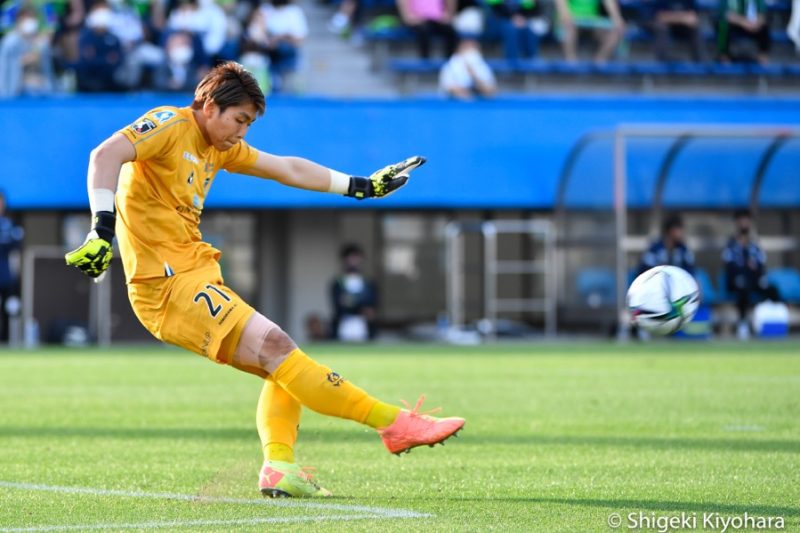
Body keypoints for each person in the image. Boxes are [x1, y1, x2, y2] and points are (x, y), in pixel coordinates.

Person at [65, 62, 464, 498]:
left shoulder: (218, 147)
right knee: (278, 348)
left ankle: (279, 466)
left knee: (284, 364)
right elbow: (104, 155)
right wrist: (100, 230)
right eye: (240, 120)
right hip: (165, 285)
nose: (242, 132)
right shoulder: (169, 124)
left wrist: (362, 186)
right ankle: (395, 423)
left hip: (195, 273)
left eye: (249, 124)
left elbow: (287, 169)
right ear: (210, 105)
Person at [722, 208, 767, 340]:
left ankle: (765, 323)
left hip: (754, 280)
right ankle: (743, 323)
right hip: (736, 282)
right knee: (742, 285)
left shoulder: (754, 245)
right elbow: (729, 267)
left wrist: (753, 268)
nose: (744, 223)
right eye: (741, 220)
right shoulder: (731, 245)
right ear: (736, 222)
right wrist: (746, 267)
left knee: (770, 288)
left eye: (746, 220)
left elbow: (761, 266)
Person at [0, 7, 55, 97]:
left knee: (42, 86)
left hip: (38, 85)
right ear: (19, 20)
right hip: (13, 87)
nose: (30, 21)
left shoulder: (40, 42)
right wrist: (23, 61)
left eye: (33, 18)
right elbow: (5, 68)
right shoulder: (10, 41)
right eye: (26, 18)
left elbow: (46, 68)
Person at [330, 244, 378, 341]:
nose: (354, 262)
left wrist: (351, 302)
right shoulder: (338, 283)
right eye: (351, 258)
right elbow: (339, 304)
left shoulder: (368, 283)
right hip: (344, 325)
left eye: (356, 258)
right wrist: (360, 307)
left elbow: (372, 306)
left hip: (364, 326)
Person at [554, 0, 625, 63]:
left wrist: (617, 18)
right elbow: (561, 3)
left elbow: (609, 2)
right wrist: (565, 14)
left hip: (592, 21)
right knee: (567, 27)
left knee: (616, 31)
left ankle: (599, 61)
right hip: (570, 20)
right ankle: (571, 62)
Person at [76, 2, 124, 92]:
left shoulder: (113, 38)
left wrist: (102, 60)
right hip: (89, 80)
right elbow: (87, 60)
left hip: (110, 78)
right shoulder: (86, 37)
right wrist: (106, 60)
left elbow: (118, 59)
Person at [0, 191, 24, 342]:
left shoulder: (11, 225)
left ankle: (6, 342)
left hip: (6, 278)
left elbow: (17, 245)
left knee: (9, 309)